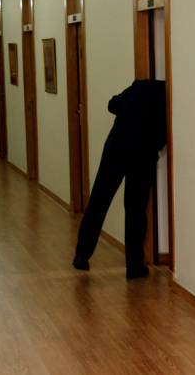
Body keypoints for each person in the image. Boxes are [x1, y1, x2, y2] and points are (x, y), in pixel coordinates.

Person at [73, 79, 166, 279]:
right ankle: (134, 266)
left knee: (99, 198)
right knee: (135, 208)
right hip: (143, 150)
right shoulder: (170, 95)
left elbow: (112, 105)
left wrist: (131, 110)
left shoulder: (140, 85)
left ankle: (81, 254)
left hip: (116, 142)